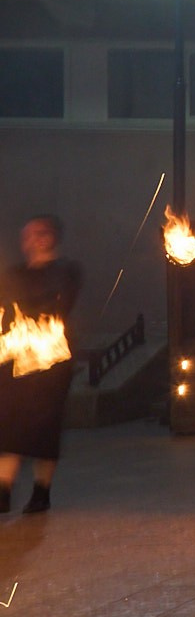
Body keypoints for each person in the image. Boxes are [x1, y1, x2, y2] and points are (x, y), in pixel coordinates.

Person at [0, 216, 81, 514]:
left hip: (51, 363)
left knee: (46, 430)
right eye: (29, 234)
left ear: (51, 237)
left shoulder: (67, 271)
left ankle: (41, 492)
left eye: (40, 233)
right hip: (15, 361)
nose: (34, 239)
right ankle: (3, 490)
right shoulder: (13, 273)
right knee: (9, 426)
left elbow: (59, 304)